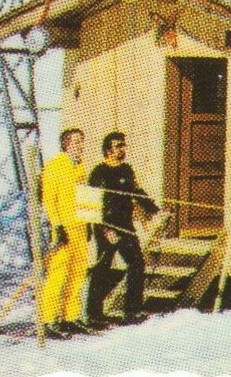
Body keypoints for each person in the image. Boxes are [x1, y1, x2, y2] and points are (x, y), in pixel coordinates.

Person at [85, 131, 160, 327]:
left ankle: (132, 310)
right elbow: (93, 205)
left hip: (125, 225)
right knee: (102, 268)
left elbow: (136, 191)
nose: (122, 150)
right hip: (106, 225)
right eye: (118, 146)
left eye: (123, 145)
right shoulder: (99, 172)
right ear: (108, 150)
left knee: (136, 264)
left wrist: (154, 209)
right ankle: (94, 314)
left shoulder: (126, 169)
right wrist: (104, 229)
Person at [39, 128, 91, 338]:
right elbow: (49, 200)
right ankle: (49, 319)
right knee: (58, 274)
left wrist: (88, 225)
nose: (80, 145)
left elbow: (85, 198)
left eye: (82, 141)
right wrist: (57, 226)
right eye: (76, 141)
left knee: (77, 273)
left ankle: (71, 316)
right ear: (66, 143)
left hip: (80, 226)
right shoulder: (55, 164)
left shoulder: (79, 166)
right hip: (64, 228)